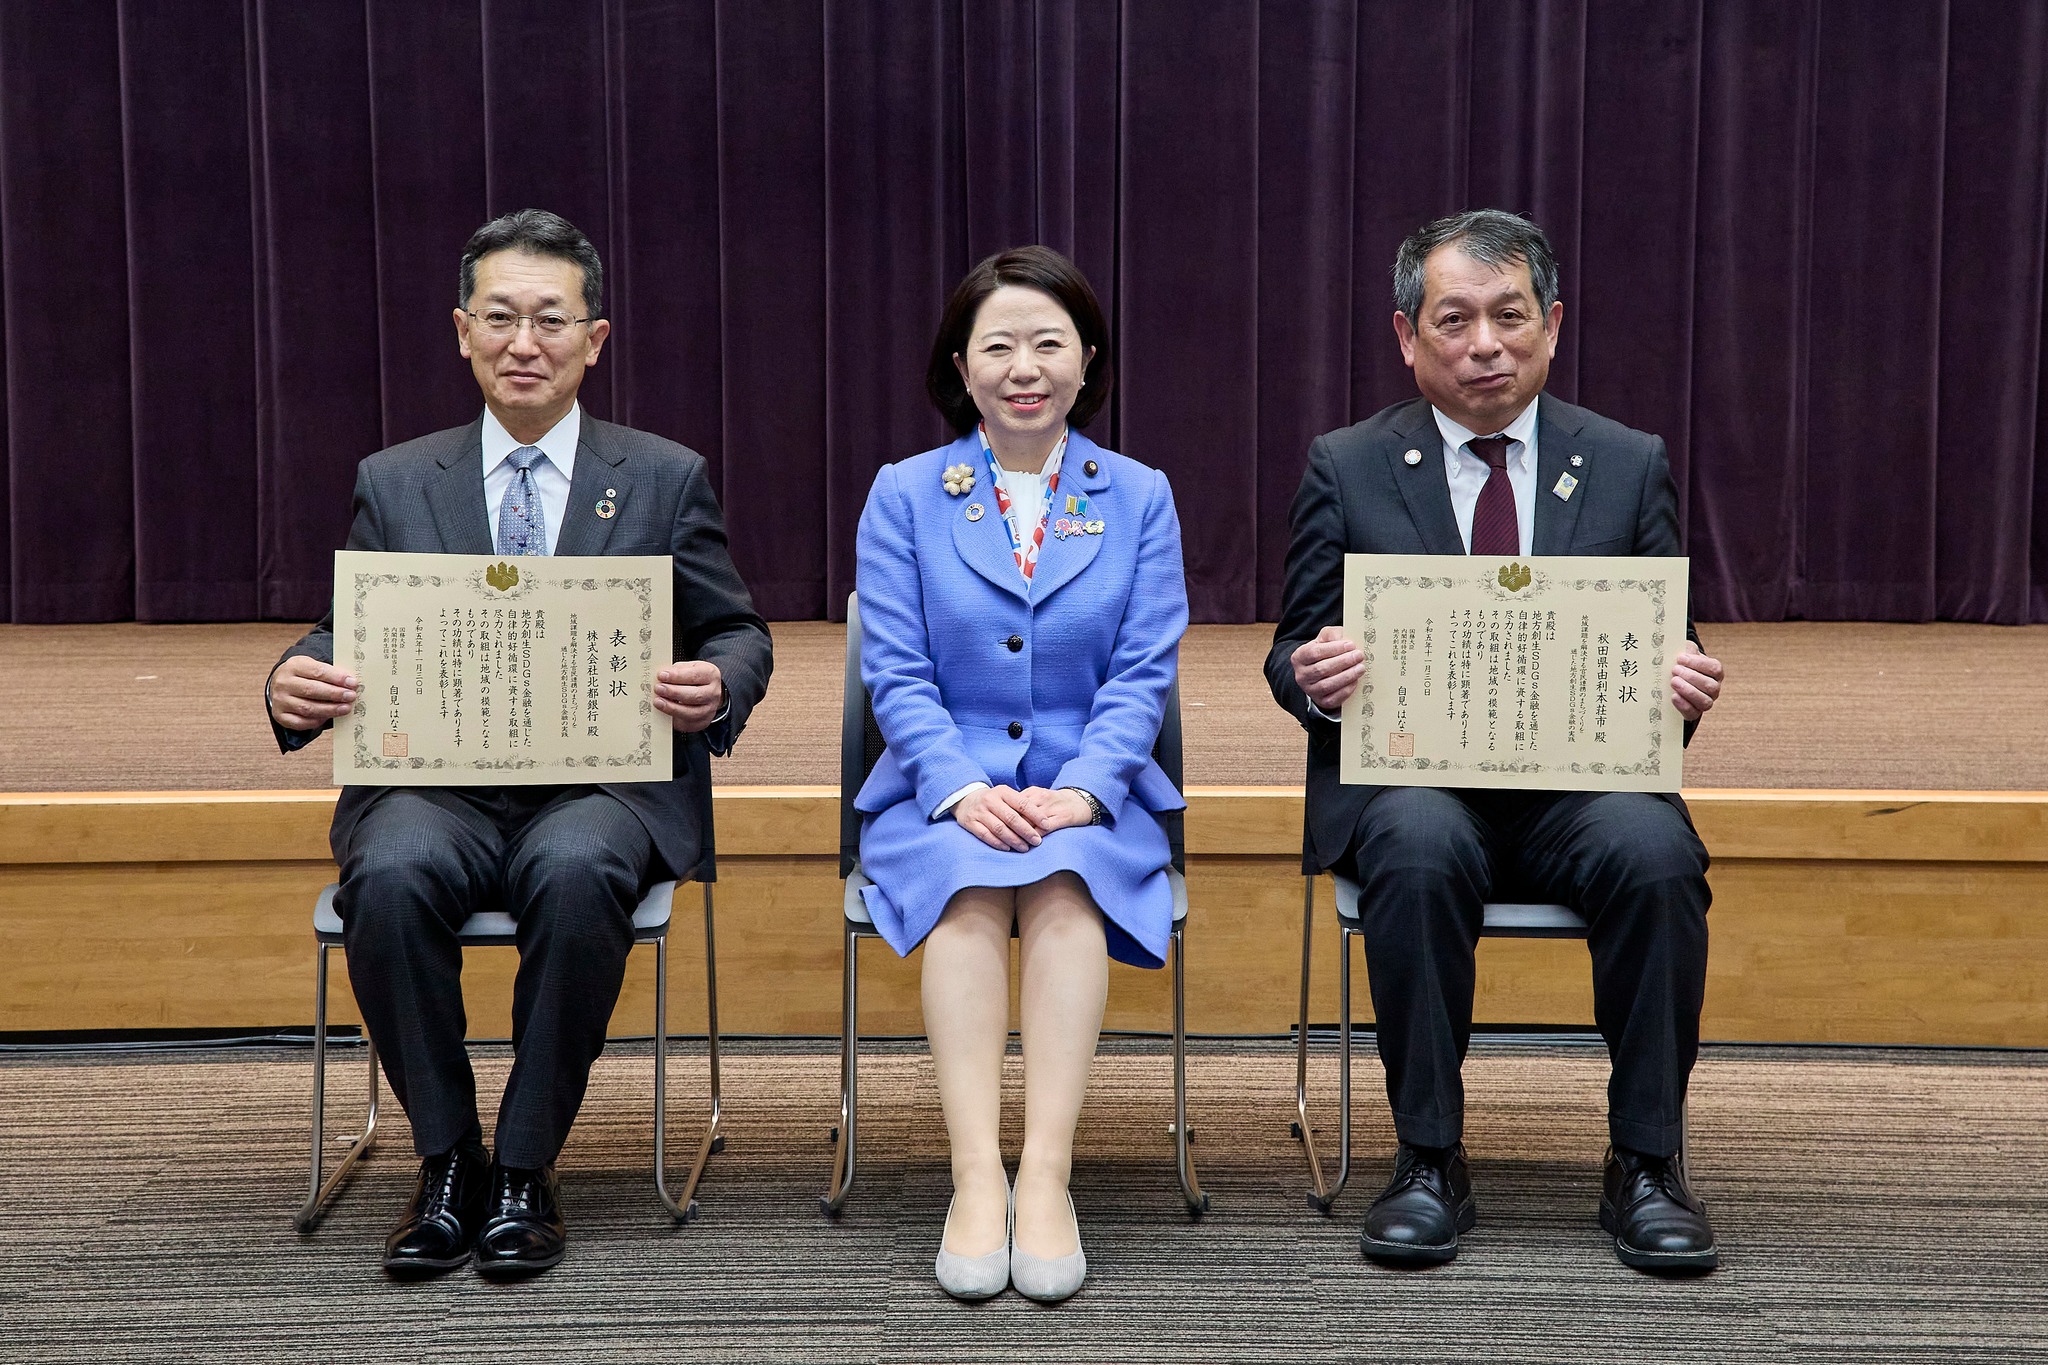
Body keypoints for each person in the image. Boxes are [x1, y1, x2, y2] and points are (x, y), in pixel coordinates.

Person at [266, 209, 772, 1278]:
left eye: (550, 318)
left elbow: (735, 626)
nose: (522, 342)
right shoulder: (397, 479)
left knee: (577, 867)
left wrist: (717, 680)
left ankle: (524, 1168)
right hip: (436, 781)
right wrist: (293, 677)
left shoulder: (663, 475)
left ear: (595, 338)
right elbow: (349, 623)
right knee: (392, 872)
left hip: (602, 785)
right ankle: (446, 1157)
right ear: (461, 331)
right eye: (499, 317)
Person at [1267, 209, 1726, 1274]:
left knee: (1657, 860)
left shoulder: (1622, 461)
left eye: (1508, 316)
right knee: (1417, 850)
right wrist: (1312, 678)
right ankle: (1427, 1158)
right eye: (1454, 319)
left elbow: (1672, 641)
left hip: (1580, 788)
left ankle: (1646, 1163)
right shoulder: (1345, 466)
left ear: (1551, 325)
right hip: (1415, 786)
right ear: (1405, 336)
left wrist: (1684, 679)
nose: (1484, 343)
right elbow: (1291, 644)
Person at [853, 246, 1186, 1302]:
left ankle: (1044, 1173)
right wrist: (955, 788)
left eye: (1048, 342)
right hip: (938, 788)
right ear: (961, 364)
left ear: (1087, 360)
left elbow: (1143, 674)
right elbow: (894, 673)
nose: (1023, 366)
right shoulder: (906, 494)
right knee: (962, 893)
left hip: (1090, 791)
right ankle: (973, 1178)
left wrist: (1085, 790)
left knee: (1065, 889)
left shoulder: (1137, 496)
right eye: (997, 345)